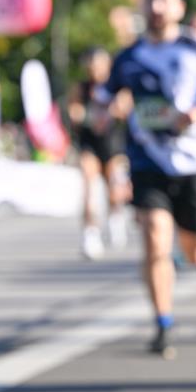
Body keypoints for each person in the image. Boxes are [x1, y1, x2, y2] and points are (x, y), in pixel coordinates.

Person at [99, 0, 196, 357]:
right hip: (147, 159)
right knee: (154, 237)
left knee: (194, 250)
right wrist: (107, 112)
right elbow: (103, 100)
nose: (156, 6)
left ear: (180, 7)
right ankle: (163, 322)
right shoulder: (127, 57)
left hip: (194, 162)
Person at [68, 47, 131, 259]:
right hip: (90, 143)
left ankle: (116, 216)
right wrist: (82, 116)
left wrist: (112, 110)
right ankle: (90, 233)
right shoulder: (82, 88)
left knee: (114, 186)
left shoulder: (118, 87)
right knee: (89, 185)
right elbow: (74, 111)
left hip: (113, 143)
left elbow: (125, 108)